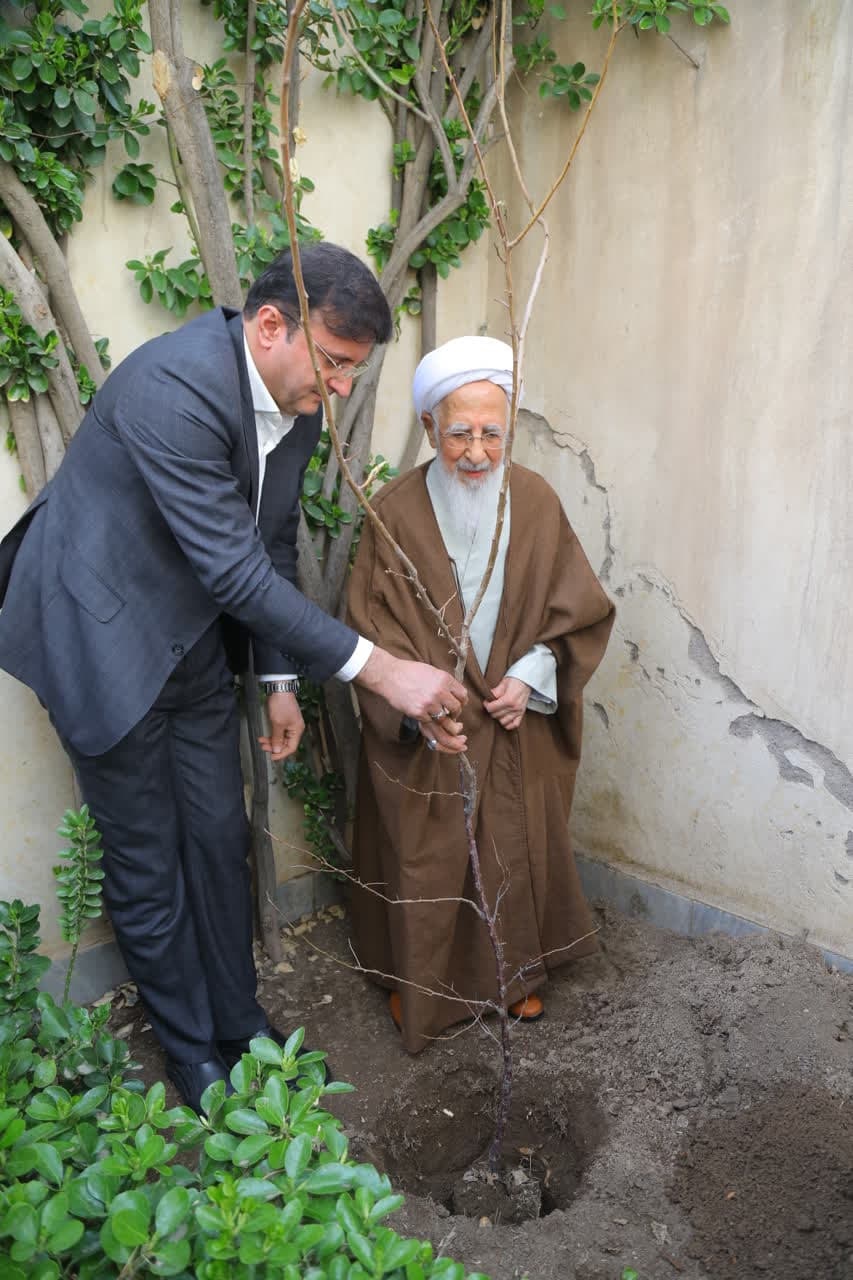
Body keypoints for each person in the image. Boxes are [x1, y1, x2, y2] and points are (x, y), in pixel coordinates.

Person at [0, 244, 466, 1110]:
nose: (339, 387)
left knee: (218, 838)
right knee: (149, 861)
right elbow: (233, 571)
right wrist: (379, 670)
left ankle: (240, 1026)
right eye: (333, 362)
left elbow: (271, 543)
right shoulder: (170, 388)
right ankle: (192, 1054)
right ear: (270, 325)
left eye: (353, 372)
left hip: (192, 644)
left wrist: (278, 680)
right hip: (98, 637)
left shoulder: (298, 407)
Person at [346, 335, 614, 1054]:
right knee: (425, 851)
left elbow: (577, 612)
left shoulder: (536, 501)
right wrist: (417, 707)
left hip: (511, 716)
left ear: (509, 429)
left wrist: (529, 676)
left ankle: (512, 974)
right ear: (428, 426)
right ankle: (416, 982)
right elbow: (367, 628)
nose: (475, 452)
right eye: (458, 432)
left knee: (513, 842)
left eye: (491, 433)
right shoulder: (392, 513)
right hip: (429, 725)